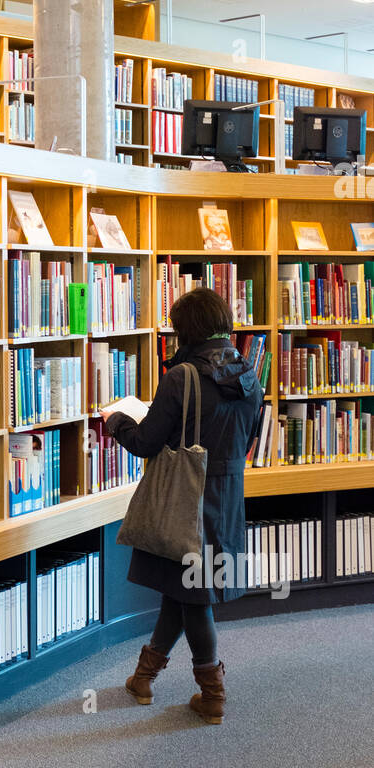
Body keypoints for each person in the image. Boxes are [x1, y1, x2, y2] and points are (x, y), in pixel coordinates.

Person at [103, 287, 263, 724]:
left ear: (185, 330)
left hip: (184, 497)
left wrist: (116, 421)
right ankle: (143, 678)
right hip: (226, 496)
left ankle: (212, 692)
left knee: (194, 597)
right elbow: (249, 439)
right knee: (186, 587)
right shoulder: (251, 374)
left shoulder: (182, 377)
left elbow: (146, 442)